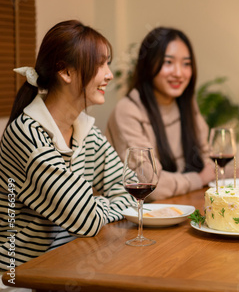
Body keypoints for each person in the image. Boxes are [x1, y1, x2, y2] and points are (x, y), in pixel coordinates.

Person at [0, 20, 135, 273]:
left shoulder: (85, 129)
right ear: (66, 72)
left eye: (108, 64)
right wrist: (97, 204)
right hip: (20, 276)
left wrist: (93, 204)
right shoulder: (27, 135)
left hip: (70, 264)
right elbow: (87, 220)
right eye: (100, 64)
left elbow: (131, 190)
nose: (109, 74)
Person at [106, 27, 215, 200]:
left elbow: (210, 162)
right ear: (149, 65)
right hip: (139, 218)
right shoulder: (128, 111)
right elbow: (150, 184)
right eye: (168, 62)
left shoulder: (186, 104)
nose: (179, 73)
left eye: (186, 64)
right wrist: (199, 179)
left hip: (183, 206)